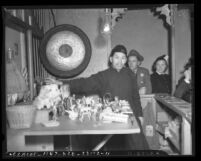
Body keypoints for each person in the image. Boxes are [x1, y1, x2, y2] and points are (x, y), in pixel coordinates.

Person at [45, 44, 149, 150]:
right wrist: (61, 82)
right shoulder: (103, 76)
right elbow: (84, 83)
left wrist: (140, 115)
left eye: (123, 58)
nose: (120, 61)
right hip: (111, 119)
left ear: (126, 60)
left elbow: (135, 96)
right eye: (117, 57)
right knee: (113, 148)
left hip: (131, 118)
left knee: (138, 147)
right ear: (111, 59)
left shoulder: (130, 74)